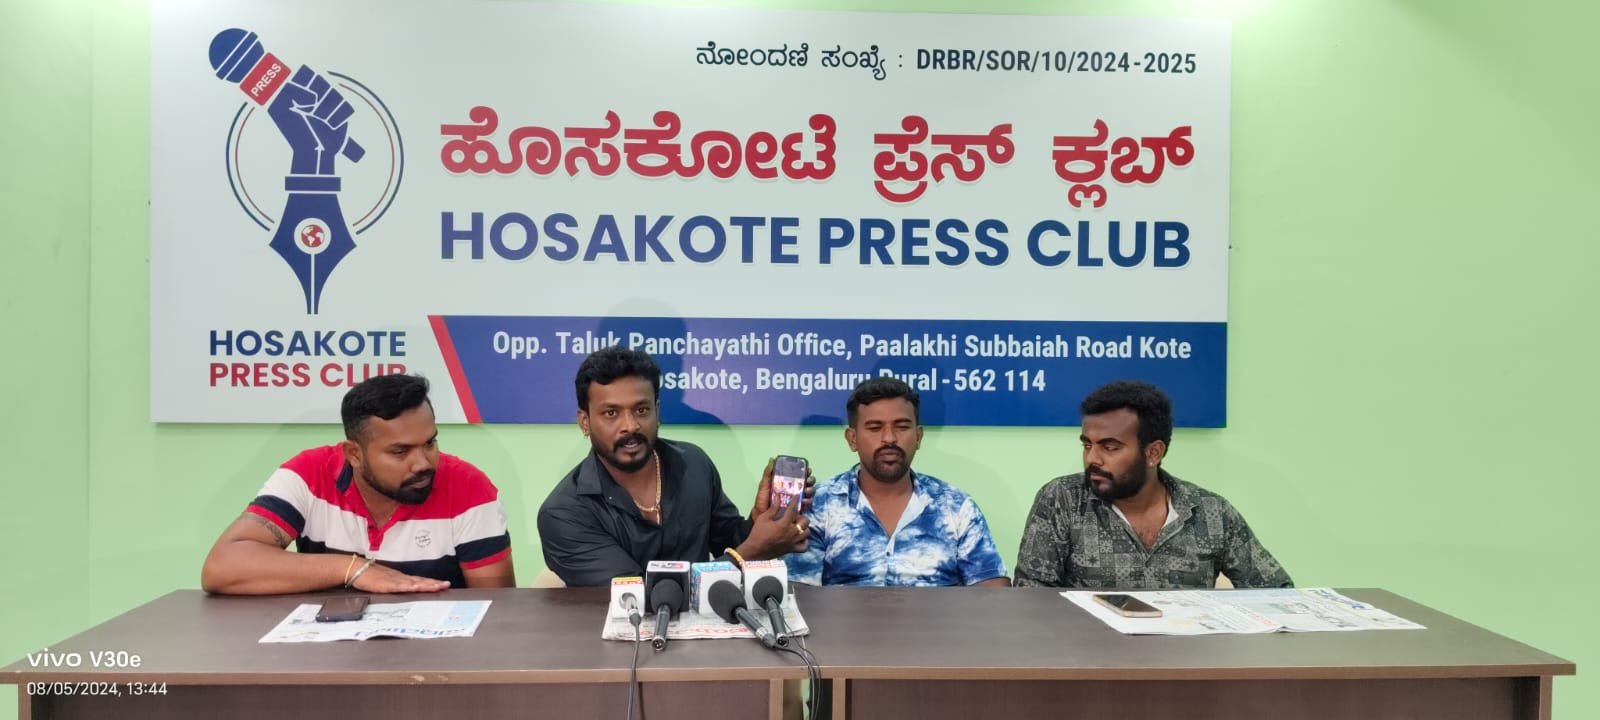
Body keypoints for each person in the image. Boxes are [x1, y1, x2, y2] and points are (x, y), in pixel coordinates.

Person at [201, 374, 516, 594]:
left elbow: (497, 611)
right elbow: (221, 568)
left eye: (430, 443)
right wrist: (354, 569)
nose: (422, 463)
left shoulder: (469, 489)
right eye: (400, 451)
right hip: (327, 657)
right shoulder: (309, 475)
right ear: (353, 453)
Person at [538, 347, 810, 586]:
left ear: (657, 411)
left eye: (641, 410)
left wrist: (760, 521)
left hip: (711, 625)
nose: (630, 426)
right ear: (585, 422)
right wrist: (752, 552)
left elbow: (730, 542)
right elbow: (639, 597)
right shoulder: (563, 514)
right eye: (611, 413)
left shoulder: (693, 463)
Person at [1014, 380, 1291, 589]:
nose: (1092, 459)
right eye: (1087, 445)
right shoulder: (1062, 500)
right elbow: (1031, 600)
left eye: (1110, 447)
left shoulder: (1211, 512)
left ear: (1153, 453)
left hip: (1185, 649)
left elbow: (1276, 592)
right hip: (1089, 648)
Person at [787, 377, 1008, 587]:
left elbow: (993, 591)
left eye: (902, 427)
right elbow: (797, 593)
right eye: (875, 428)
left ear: (918, 437)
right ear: (852, 439)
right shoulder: (819, 505)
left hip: (940, 616)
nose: (890, 438)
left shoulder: (956, 507)